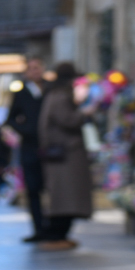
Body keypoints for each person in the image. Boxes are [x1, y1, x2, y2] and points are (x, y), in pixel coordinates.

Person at [37, 62, 92, 251]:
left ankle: (61, 235)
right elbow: (68, 120)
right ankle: (56, 235)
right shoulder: (60, 97)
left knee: (65, 197)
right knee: (64, 198)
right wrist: (84, 110)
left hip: (63, 155)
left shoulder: (56, 95)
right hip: (65, 155)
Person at [8, 57, 48, 241]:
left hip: (50, 146)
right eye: (30, 68)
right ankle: (38, 228)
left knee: (51, 186)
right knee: (33, 188)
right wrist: (26, 130)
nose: (34, 71)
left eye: (37, 67)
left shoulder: (50, 89)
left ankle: (53, 227)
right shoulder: (21, 94)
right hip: (30, 147)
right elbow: (11, 119)